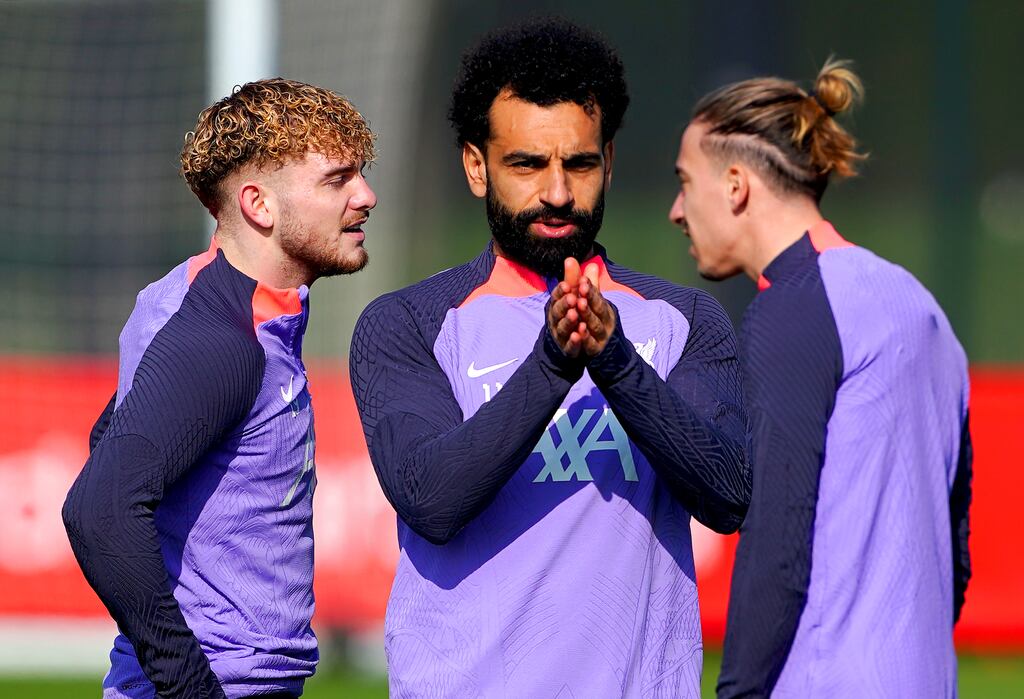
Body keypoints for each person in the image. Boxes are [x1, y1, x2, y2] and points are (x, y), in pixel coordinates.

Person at [350, 17, 750, 697]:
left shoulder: (683, 321)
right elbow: (431, 499)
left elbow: (729, 494)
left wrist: (615, 362)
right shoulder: (408, 324)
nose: (558, 191)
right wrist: (553, 365)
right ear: (477, 167)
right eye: (528, 164)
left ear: (610, 162)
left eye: (580, 163)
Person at [62, 78, 377, 699]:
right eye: (337, 179)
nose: (366, 196)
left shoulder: (189, 298)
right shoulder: (222, 341)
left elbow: (112, 439)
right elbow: (99, 511)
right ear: (258, 205)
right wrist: (189, 687)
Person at [668, 59, 973, 697]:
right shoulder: (921, 305)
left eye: (683, 181)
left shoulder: (793, 309)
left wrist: (739, 692)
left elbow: (777, 540)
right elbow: (957, 548)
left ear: (733, 185)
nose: (675, 210)